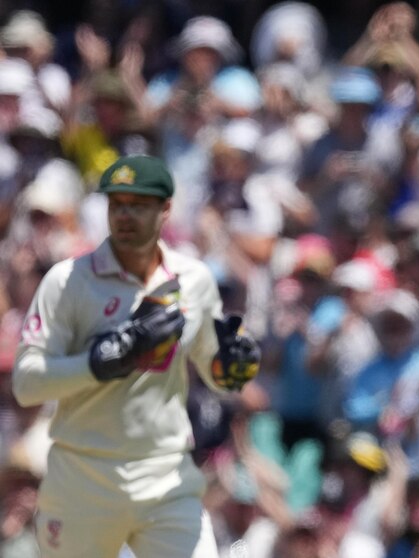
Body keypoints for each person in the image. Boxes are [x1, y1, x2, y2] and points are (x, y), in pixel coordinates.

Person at [12, 155, 261, 557]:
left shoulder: (193, 279)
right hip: (85, 473)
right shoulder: (67, 281)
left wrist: (233, 368)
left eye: (139, 205)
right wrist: (100, 361)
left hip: (163, 474)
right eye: (117, 204)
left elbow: (216, 373)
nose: (125, 216)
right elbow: (27, 383)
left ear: (166, 210)